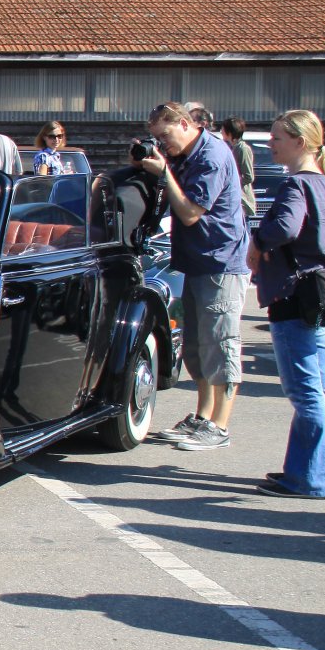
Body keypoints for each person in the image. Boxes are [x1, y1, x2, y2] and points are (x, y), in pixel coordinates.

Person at [134, 101, 249, 452]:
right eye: (157, 138)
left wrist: (164, 173)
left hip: (221, 265)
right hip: (197, 263)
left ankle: (220, 426)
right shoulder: (186, 154)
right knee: (198, 347)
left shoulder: (211, 156)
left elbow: (190, 213)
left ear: (185, 124)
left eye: (165, 135)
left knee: (221, 344)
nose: (163, 144)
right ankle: (203, 417)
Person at [245, 110, 325, 499]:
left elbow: (285, 227)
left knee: (306, 391)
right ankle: (316, 472)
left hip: (294, 294)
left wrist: (258, 242)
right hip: (319, 292)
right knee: (319, 389)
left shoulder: (298, 184)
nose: (271, 144)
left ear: (300, 142)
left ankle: (309, 479)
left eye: (277, 138)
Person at [218, 116, 257, 219]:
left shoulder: (243, 149)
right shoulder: (231, 148)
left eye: (223, 129)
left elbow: (248, 177)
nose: (221, 132)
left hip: (242, 201)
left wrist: (232, 183)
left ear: (230, 132)